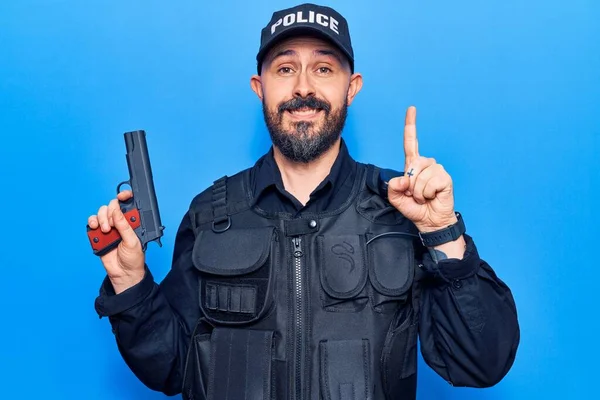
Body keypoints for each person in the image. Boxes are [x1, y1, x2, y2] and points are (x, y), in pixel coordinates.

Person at [88, 3, 520, 399]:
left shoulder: (404, 207)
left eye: (324, 69)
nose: (303, 87)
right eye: (285, 68)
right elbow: (171, 369)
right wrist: (131, 283)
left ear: (352, 88)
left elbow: (482, 363)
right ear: (260, 87)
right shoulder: (209, 213)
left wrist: (442, 233)